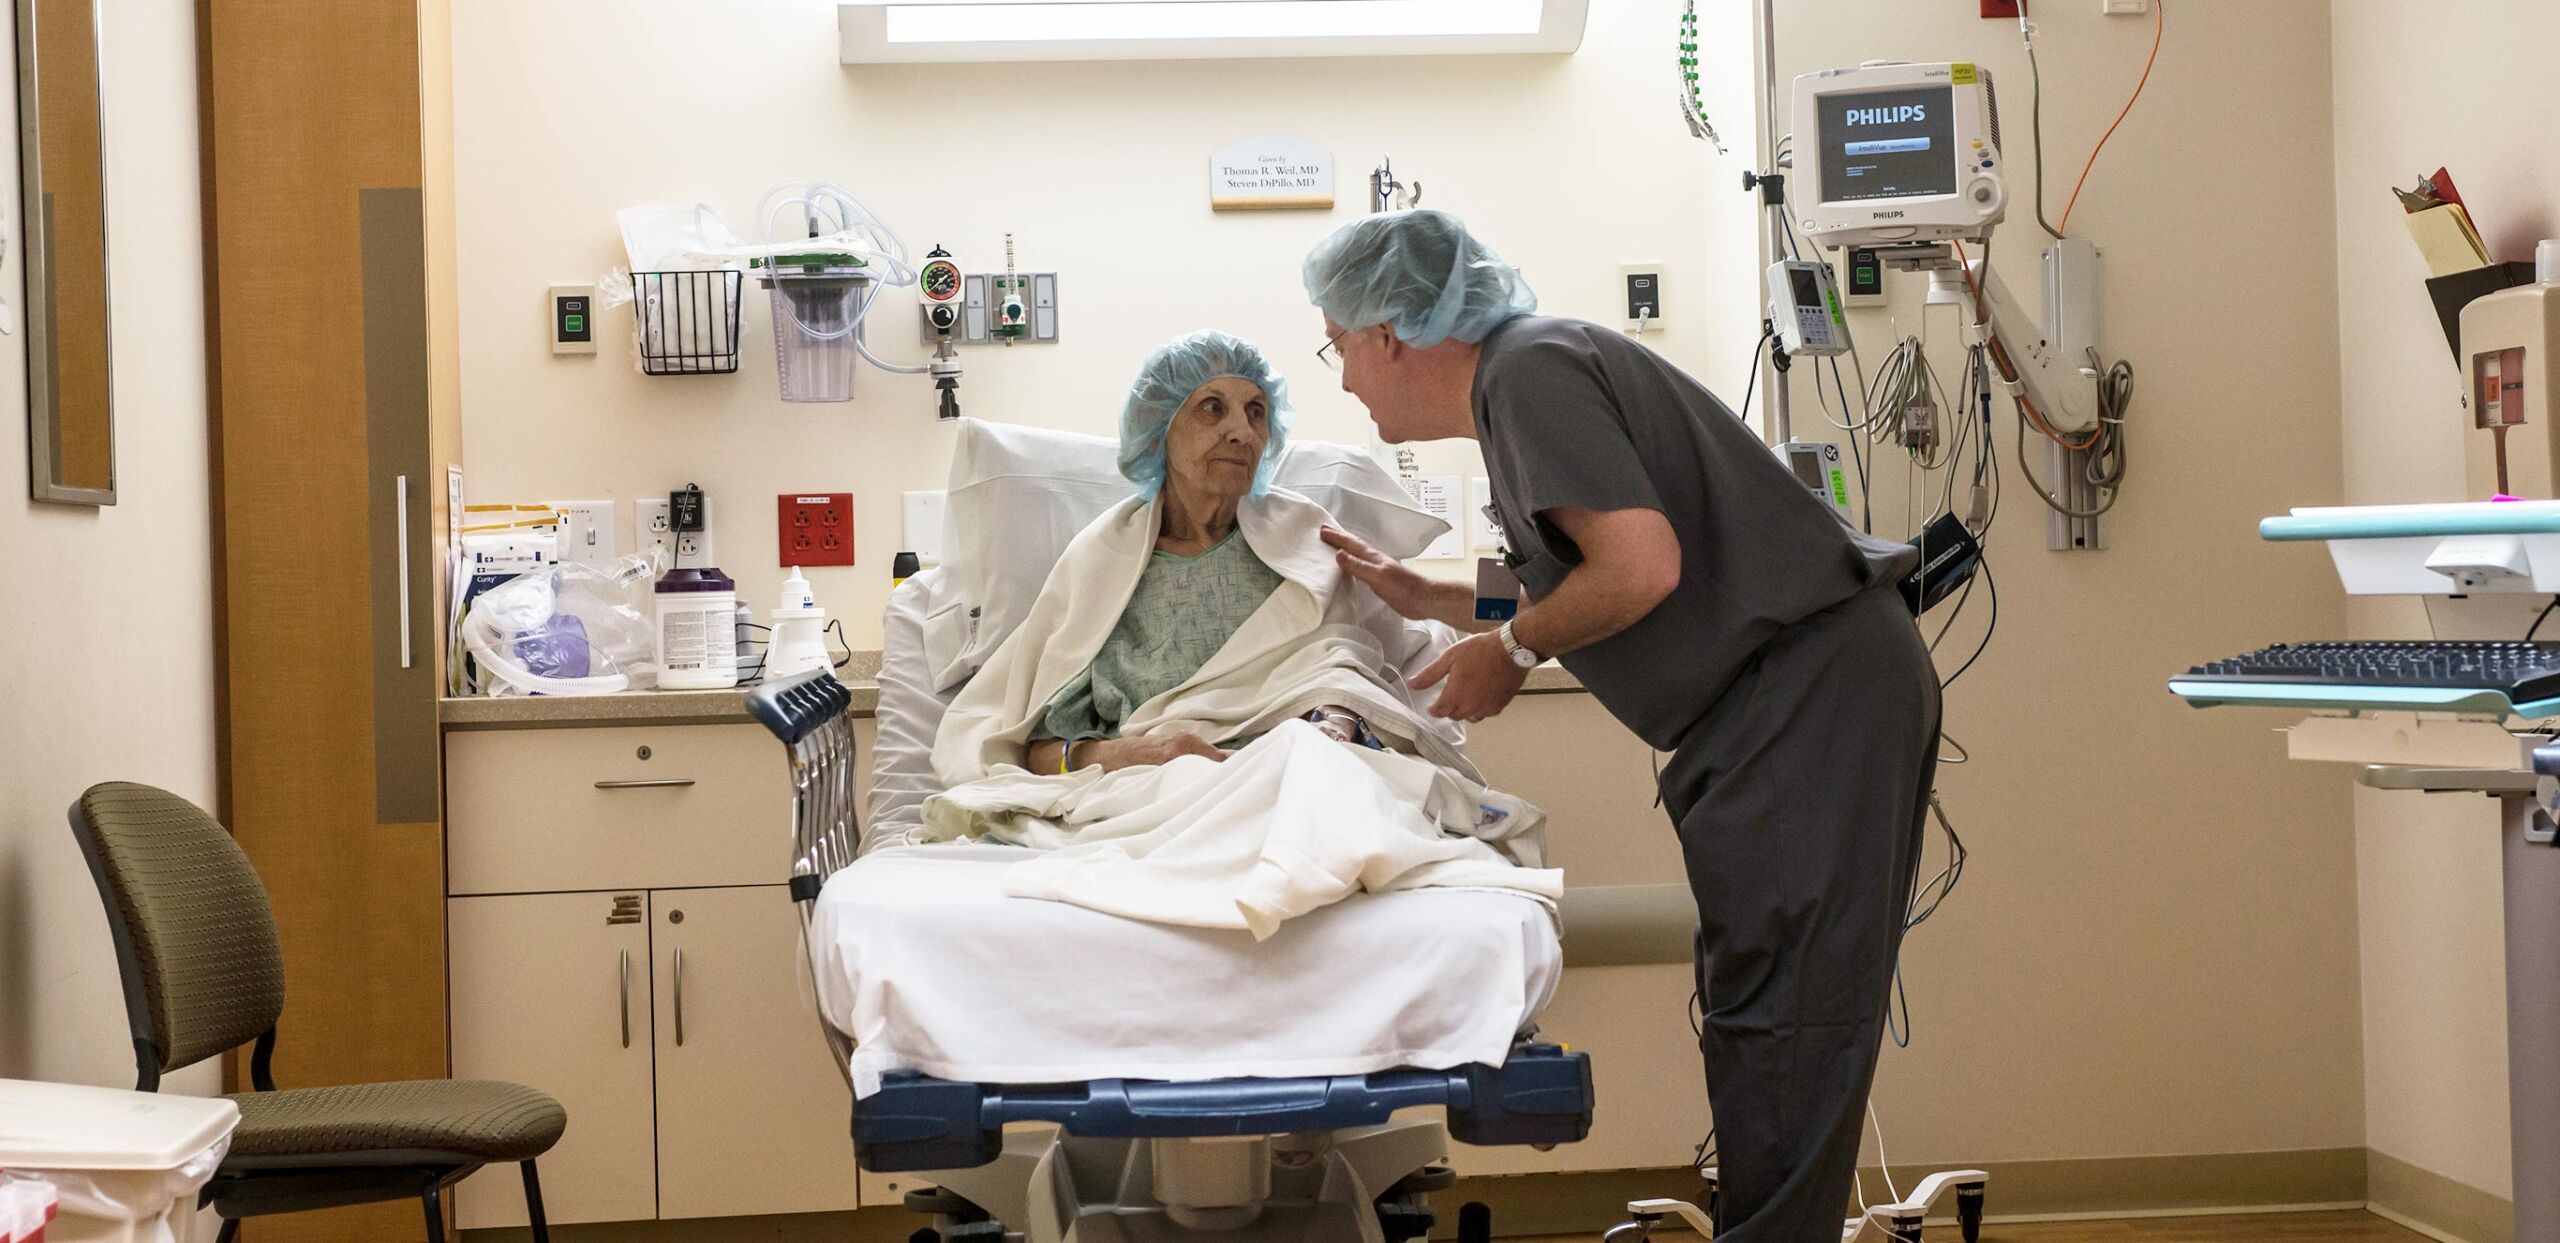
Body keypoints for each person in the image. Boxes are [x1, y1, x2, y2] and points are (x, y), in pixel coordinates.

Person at [1304, 209, 1941, 1241]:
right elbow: (1573, 563)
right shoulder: (1528, 376)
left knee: (1786, 1014)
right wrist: (1431, 596)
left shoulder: (1526, 374)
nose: (1341, 379)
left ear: (1388, 332)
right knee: (1769, 1005)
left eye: (1336, 347)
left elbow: (1639, 566)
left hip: (1802, 691)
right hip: (1793, 693)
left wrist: (1509, 655)